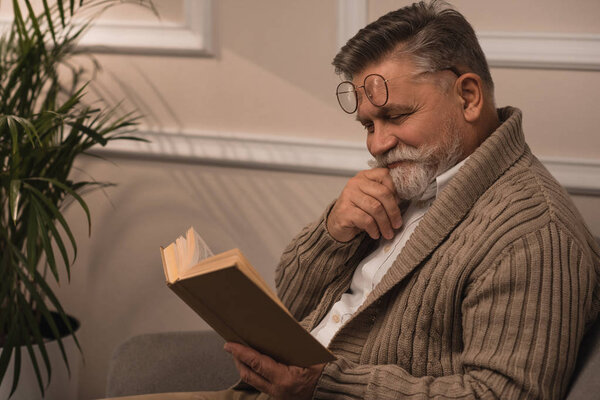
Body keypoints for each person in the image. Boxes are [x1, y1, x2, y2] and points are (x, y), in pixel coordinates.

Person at [117, 1, 599, 399]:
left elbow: (501, 395)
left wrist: (321, 384)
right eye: (369, 125)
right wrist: (333, 233)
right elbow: (291, 303)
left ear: (469, 96)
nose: (376, 144)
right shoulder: (412, 177)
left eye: (395, 116)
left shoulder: (535, 233)